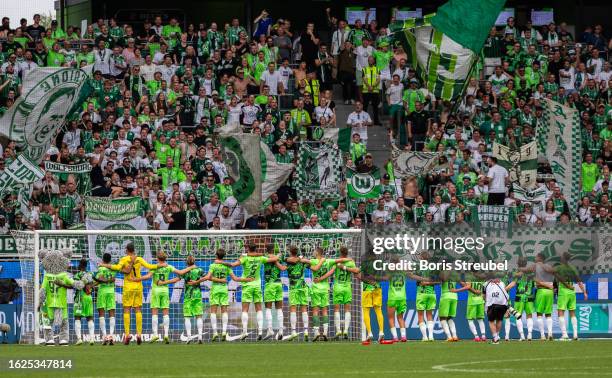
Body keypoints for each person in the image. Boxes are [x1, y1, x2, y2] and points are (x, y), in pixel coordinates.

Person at [98, 242, 160, 345]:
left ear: (127, 250)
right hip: (138, 286)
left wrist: (103, 264)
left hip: (128, 286)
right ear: (134, 250)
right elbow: (150, 266)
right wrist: (161, 264)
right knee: (138, 310)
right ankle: (139, 334)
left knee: (126, 310)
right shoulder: (139, 259)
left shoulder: (124, 259)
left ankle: (127, 335)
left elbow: (117, 268)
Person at [133, 251, 194, 344]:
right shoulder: (168, 267)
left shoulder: (155, 267)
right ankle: (166, 335)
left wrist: (137, 279)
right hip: (165, 291)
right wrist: (191, 267)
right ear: (165, 258)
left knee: (154, 312)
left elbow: (148, 276)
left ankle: (155, 334)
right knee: (166, 313)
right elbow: (180, 272)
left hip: (156, 291)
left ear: (157, 258)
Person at [228, 244, 278, 340]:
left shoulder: (245, 258)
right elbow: (273, 259)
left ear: (248, 249)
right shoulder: (260, 258)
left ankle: (245, 331)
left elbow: (232, 265)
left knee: (245, 309)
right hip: (257, 285)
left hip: (247, 285)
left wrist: (239, 258)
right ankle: (260, 332)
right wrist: (278, 255)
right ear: (256, 249)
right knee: (259, 309)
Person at [555, 252, 587, 340]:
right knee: (572, 312)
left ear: (564, 258)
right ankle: (575, 335)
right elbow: (579, 281)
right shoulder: (573, 268)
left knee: (560, 311)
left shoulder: (559, 267)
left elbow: (554, 275)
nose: (560, 258)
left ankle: (564, 335)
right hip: (572, 291)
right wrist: (584, 292)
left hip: (563, 291)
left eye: (561, 257)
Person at [331, 246, 360, 339]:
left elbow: (330, 272)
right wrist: (346, 267)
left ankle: (339, 330)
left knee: (336, 309)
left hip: (337, 287)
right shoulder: (350, 262)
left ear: (340, 252)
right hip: (347, 287)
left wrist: (342, 267)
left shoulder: (336, 261)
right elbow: (356, 271)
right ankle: (346, 330)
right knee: (347, 309)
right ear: (347, 253)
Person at [309, 247, 335, 341]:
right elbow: (336, 264)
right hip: (325, 289)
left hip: (315, 288)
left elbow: (307, 263)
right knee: (324, 311)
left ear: (316, 253)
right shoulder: (328, 262)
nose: (313, 252)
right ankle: (325, 333)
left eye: (314, 251)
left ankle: (316, 333)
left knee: (315, 311)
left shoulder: (312, 261)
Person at [263, 244, 286, 340]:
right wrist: (277, 258)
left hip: (270, 284)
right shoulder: (279, 258)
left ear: (266, 250)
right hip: (278, 284)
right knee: (279, 309)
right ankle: (281, 331)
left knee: (268, 308)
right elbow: (283, 268)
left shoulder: (264, 257)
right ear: (274, 249)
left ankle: (270, 330)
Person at [94, 253, 117, 345]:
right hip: (111, 291)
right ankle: (111, 335)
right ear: (110, 260)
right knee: (112, 313)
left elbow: (100, 279)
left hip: (102, 291)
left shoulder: (101, 268)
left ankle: (104, 336)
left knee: (101, 314)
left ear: (103, 259)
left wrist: (92, 284)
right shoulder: (113, 268)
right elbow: (113, 278)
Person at [483, 276, 511, 344]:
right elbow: (506, 293)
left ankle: (495, 338)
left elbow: (484, 296)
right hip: (502, 305)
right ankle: (497, 336)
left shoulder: (485, 284)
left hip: (491, 305)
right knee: (499, 320)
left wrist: (486, 303)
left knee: (491, 321)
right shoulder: (502, 283)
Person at [73, 259, 95, 345]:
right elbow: (92, 285)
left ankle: (79, 339)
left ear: (81, 265)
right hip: (89, 297)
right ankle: (92, 338)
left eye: (79, 264)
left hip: (79, 298)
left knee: (77, 317)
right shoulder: (90, 274)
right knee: (89, 317)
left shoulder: (77, 275)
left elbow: (75, 286)